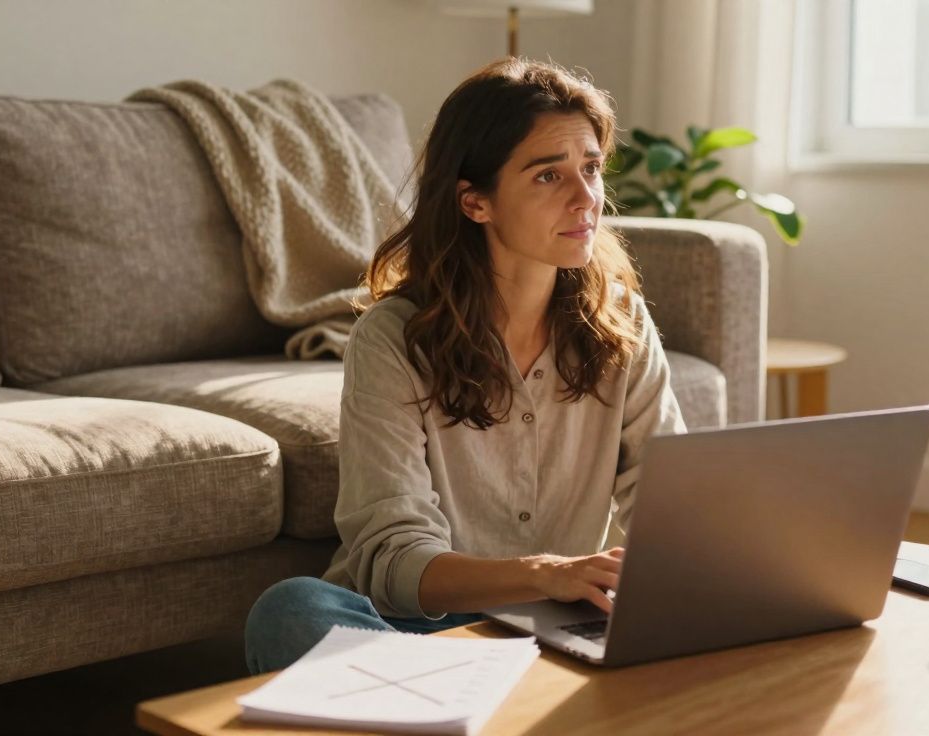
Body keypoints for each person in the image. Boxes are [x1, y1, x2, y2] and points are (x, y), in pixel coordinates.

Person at [243, 57, 685, 674]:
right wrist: (543, 574)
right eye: (547, 177)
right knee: (291, 609)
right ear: (475, 202)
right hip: (415, 631)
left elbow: (671, 514)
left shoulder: (623, 326)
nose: (587, 198)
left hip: (556, 627)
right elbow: (393, 564)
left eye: (590, 168)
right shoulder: (393, 338)